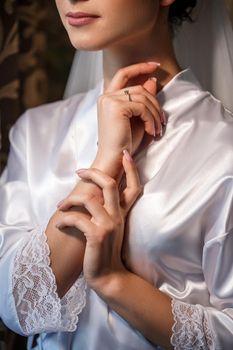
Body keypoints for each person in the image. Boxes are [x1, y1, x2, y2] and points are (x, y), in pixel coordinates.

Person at [0, 0, 233, 349]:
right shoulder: (35, 133)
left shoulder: (223, 148)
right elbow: (15, 307)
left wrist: (114, 281)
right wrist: (105, 159)